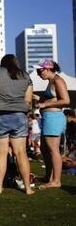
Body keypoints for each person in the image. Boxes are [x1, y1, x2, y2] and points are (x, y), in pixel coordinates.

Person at [0, 54, 34, 195]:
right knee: (21, 153)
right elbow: (28, 100)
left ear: (3, 63)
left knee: (1, 152)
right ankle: (28, 188)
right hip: (19, 116)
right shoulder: (26, 76)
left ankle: (0, 187)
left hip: (0, 116)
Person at [34, 59, 70, 188]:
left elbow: (66, 100)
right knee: (44, 149)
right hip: (49, 118)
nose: (38, 74)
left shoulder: (58, 81)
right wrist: (38, 99)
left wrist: (45, 104)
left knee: (53, 150)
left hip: (54, 118)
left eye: (39, 71)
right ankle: (48, 176)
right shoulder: (51, 81)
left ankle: (56, 181)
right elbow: (53, 97)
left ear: (47, 69)